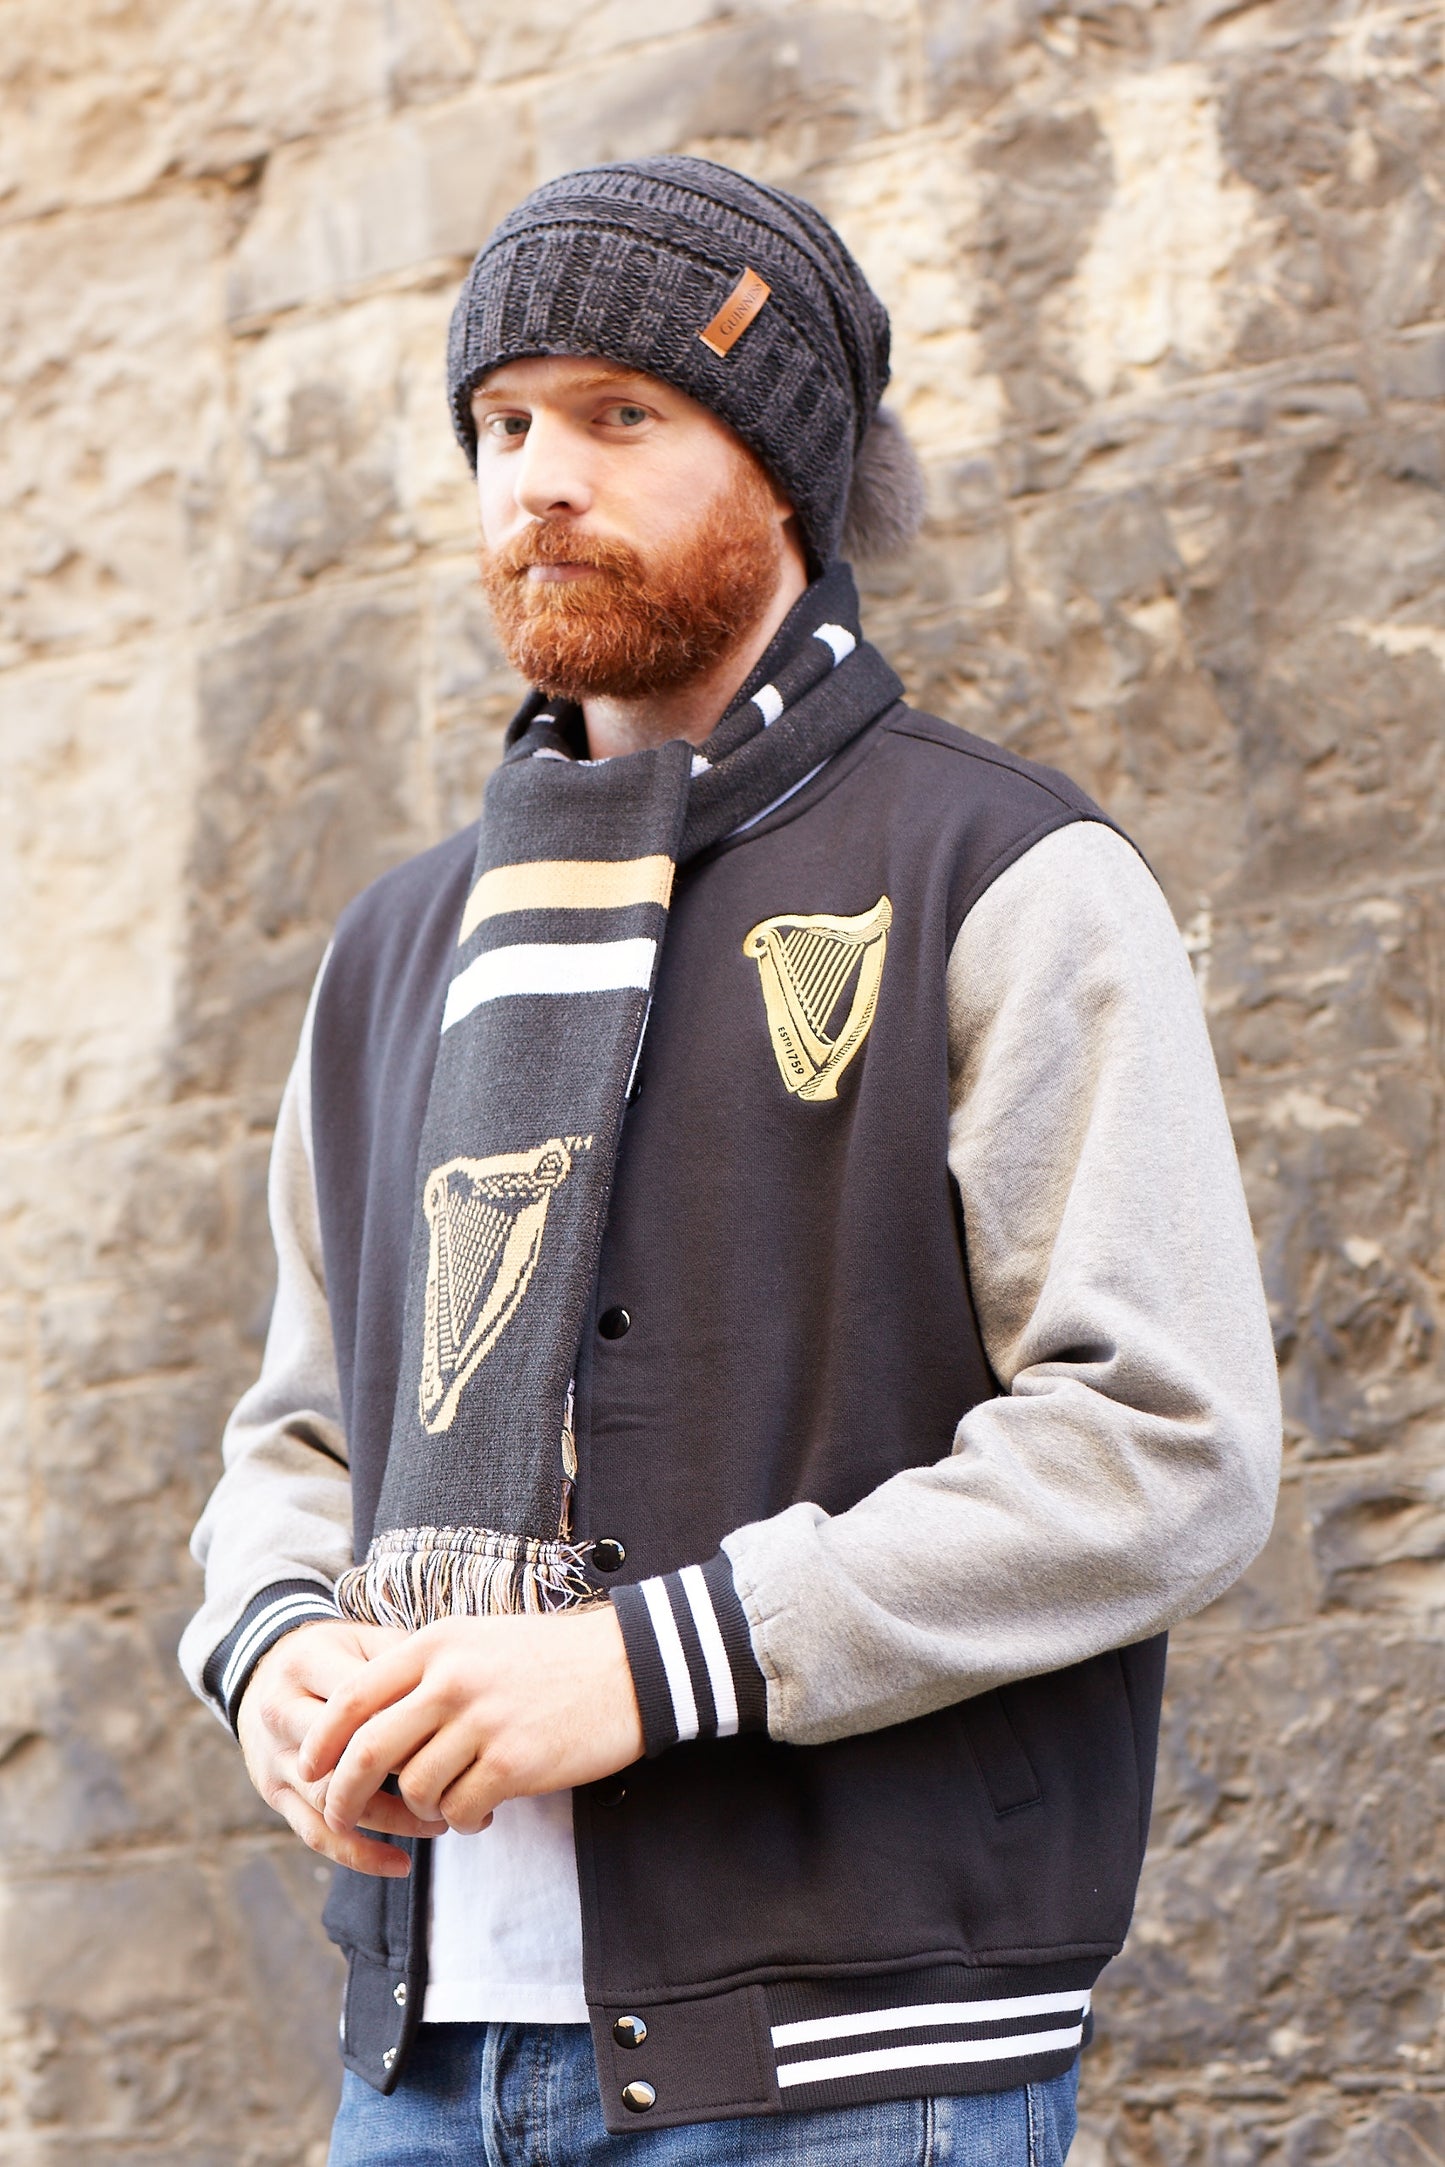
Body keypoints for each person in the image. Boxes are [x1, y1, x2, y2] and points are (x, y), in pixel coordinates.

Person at [180, 156, 1281, 2167]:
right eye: (503, 425)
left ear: (781, 465)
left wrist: (648, 1662)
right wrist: (273, 1647)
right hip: (417, 2060)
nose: (539, 480)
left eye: (621, 417)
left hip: (849, 2074)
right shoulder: (395, 950)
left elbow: (1168, 1442)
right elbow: (299, 1436)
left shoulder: (1000, 875)